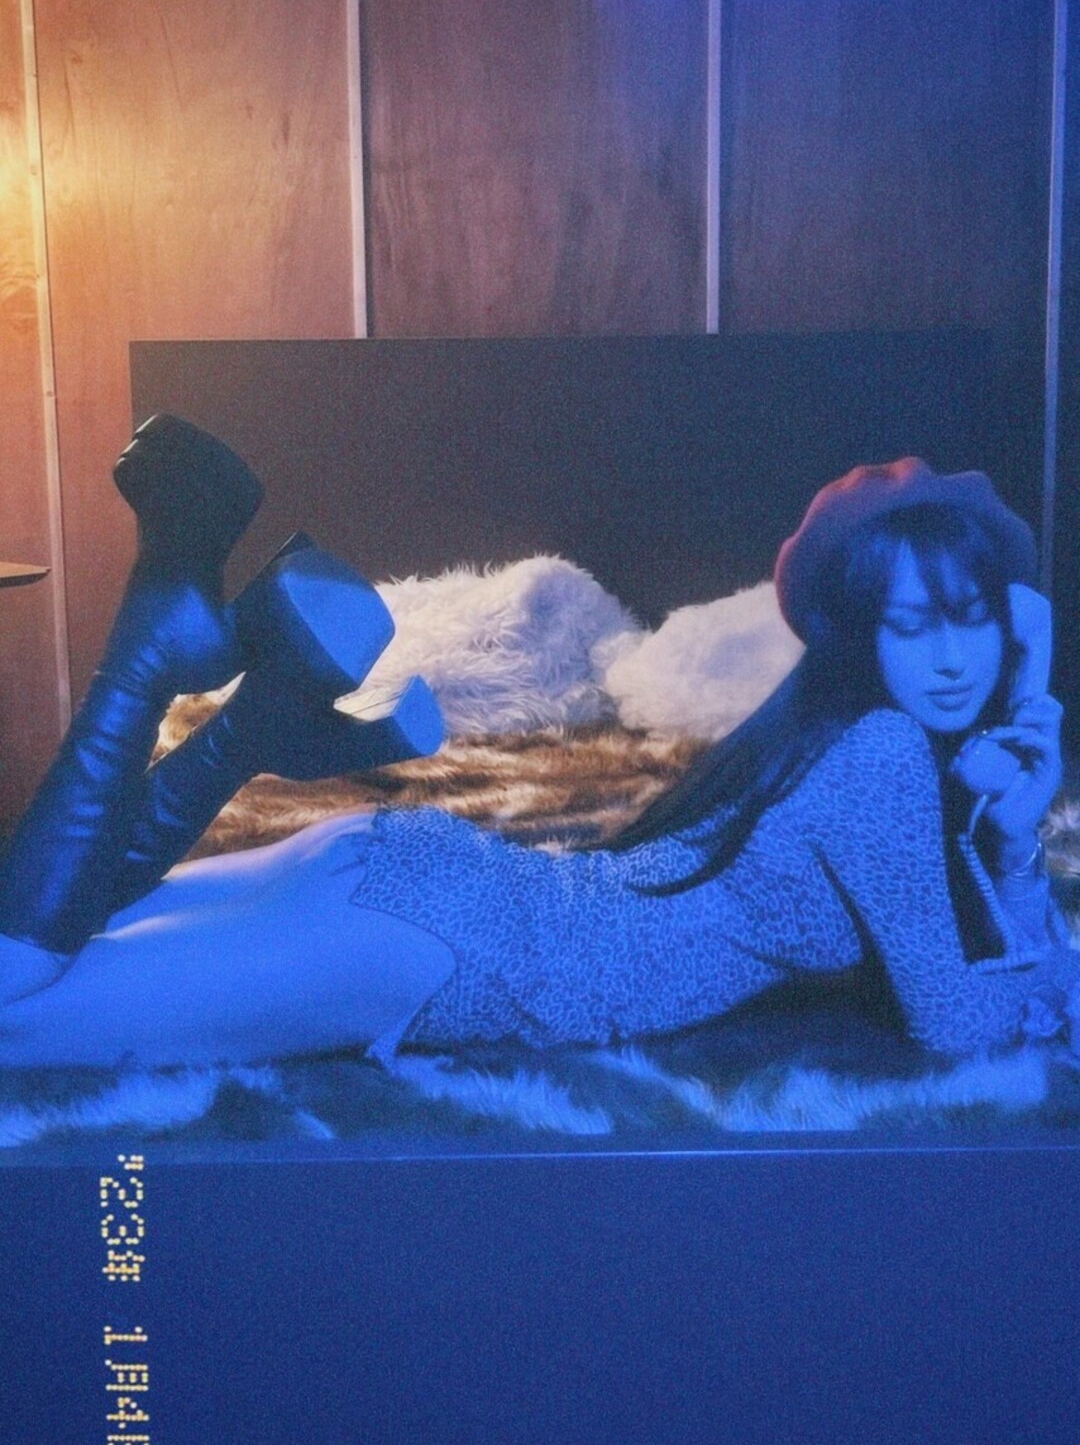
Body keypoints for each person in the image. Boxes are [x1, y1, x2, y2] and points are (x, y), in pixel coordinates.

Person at [0, 430, 1074, 1070]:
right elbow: (956, 1024)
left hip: (412, 870)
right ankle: (149, 661)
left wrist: (1011, 829)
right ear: (858, 635)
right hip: (440, 945)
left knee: (53, 945)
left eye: (971, 616)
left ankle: (228, 710)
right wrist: (1022, 834)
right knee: (15, 1021)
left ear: (1008, 618)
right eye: (911, 624)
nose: (951, 657)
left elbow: (943, 947)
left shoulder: (827, 742)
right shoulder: (884, 755)